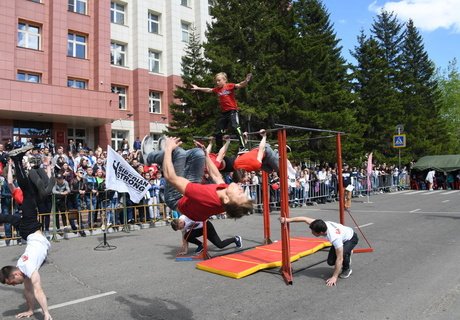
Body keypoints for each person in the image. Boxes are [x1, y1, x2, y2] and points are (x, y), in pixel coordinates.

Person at [141, 136, 253, 221]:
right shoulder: (225, 195)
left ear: (227, 199)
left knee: (178, 153)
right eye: (243, 193)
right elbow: (216, 176)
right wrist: (206, 154)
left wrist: (169, 149)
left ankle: (147, 157)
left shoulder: (206, 196)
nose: (241, 190)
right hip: (191, 197)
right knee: (198, 153)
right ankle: (163, 155)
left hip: (175, 199)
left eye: (240, 194)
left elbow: (170, 177)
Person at [0, 146, 53, 320]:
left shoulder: (27, 268)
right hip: (27, 231)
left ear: (15, 274)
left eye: (11, 283)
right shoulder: (24, 269)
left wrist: (46, 314)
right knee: (8, 217)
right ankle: (17, 159)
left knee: (27, 193)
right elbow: (29, 291)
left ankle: (17, 159)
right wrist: (30, 310)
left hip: (29, 229)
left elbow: (38, 291)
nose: (14, 285)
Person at [279, 215, 358, 287]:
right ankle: (346, 253)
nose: (311, 232)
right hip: (342, 236)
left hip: (350, 238)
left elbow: (339, 258)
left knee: (341, 255)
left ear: (321, 233)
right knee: (330, 262)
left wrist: (334, 277)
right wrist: (288, 220)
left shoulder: (334, 238)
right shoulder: (319, 224)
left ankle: (346, 268)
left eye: (313, 232)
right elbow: (304, 219)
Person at [190, 72, 252, 151]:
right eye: (216, 81)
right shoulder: (217, 89)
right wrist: (198, 88)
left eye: (219, 80)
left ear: (225, 80)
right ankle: (218, 150)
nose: (217, 82)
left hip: (232, 111)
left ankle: (243, 146)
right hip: (224, 113)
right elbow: (209, 90)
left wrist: (246, 81)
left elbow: (240, 85)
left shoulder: (229, 86)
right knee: (218, 132)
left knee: (235, 126)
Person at [171, 214, 243, 255]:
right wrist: (185, 251)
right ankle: (201, 245)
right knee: (186, 235)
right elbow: (184, 239)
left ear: (180, 222)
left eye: (180, 228)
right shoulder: (181, 225)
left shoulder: (188, 216)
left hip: (207, 226)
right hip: (198, 229)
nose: (181, 229)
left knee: (220, 245)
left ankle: (236, 239)